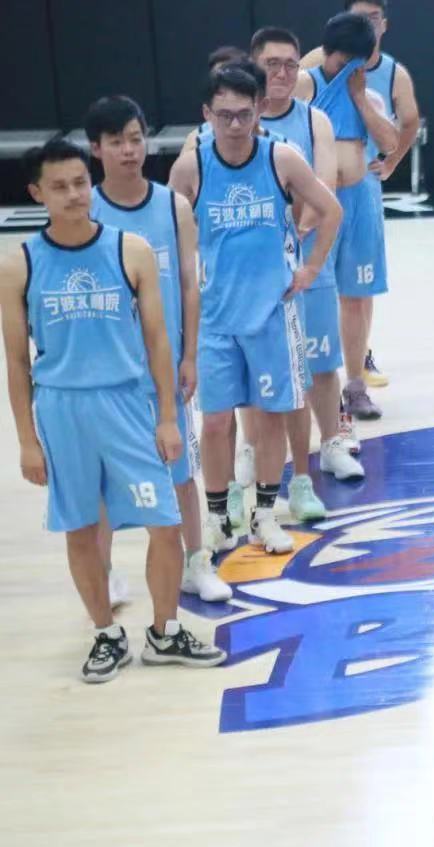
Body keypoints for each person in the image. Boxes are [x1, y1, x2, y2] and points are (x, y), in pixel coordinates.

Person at [0, 139, 226, 681]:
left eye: (80, 182)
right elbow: (17, 362)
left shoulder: (131, 250)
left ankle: (165, 633)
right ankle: (106, 634)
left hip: (129, 404)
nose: (74, 194)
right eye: (59, 186)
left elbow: (157, 342)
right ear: (36, 193)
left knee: (165, 524)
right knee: (81, 529)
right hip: (63, 412)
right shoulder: (18, 264)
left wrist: (168, 416)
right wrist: (27, 440)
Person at [168, 66, 343, 555]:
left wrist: (310, 268)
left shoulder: (280, 158)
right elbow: (168, 236)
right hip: (214, 318)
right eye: (224, 115)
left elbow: (331, 210)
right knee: (215, 423)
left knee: (269, 419)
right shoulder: (191, 168)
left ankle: (265, 514)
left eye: (244, 114)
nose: (235, 124)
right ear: (207, 114)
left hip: (271, 314)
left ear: (260, 110)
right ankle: (219, 517)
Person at [84, 96, 231, 605]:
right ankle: (104, 573)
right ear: (96, 148)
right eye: (117, 142)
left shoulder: (173, 206)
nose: (129, 150)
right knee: (104, 480)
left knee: (181, 473)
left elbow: (190, 285)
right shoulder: (87, 211)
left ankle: (195, 563)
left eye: (135, 138)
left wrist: (189, 355)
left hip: (165, 369)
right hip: (109, 374)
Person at [251, 27, 366, 514]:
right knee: (257, 366)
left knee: (320, 361)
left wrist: (293, 235)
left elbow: (325, 187)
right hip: (254, 271)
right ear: (254, 66)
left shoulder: (313, 119)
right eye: (271, 64)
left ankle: (333, 442)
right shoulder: (240, 121)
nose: (281, 73)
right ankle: (255, 452)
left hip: (308, 259)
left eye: (290, 64)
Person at [295, 11, 399, 421]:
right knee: (310, 294)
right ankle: (309, 385)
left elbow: (390, 143)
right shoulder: (305, 85)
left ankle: (355, 386)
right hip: (316, 204)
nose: (345, 70)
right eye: (340, 62)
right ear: (326, 53)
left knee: (356, 299)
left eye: (354, 63)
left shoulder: (366, 94)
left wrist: (358, 97)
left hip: (358, 203)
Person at [328, 0, 422, 390]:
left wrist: (393, 162)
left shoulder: (393, 72)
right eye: (358, 18)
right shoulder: (320, 63)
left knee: (359, 286)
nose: (366, 24)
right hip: (319, 189)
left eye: (373, 17)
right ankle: (317, 365)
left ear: (385, 24)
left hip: (361, 189)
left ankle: (359, 358)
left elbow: (410, 121)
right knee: (314, 283)